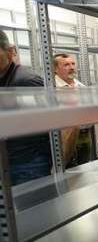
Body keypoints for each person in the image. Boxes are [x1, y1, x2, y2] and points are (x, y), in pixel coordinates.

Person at [0, 32, 52, 185]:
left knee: (33, 205)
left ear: (10, 52)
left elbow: (44, 122)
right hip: (10, 161)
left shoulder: (25, 81)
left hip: (27, 163)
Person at [53, 53, 92, 167]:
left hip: (84, 136)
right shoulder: (53, 88)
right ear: (55, 69)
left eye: (73, 64)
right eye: (66, 65)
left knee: (84, 170)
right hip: (63, 138)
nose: (71, 67)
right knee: (67, 171)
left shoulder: (81, 87)